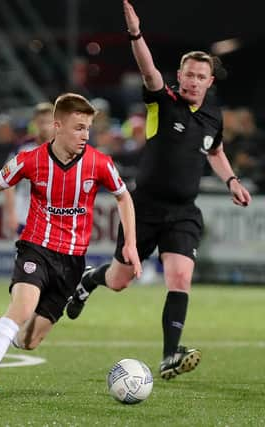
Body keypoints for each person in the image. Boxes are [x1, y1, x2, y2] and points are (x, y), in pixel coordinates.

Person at [65, 0, 253, 381]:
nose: (192, 81)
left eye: (200, 76)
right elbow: (148, 69)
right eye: (188, 74)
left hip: (183, 211)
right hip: (144, 208)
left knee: (180, 277)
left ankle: (170, 356)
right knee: (120, 280)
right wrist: (135, 33)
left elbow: (214, 151)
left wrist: (231, 179)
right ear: (179, 75)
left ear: (209, 81)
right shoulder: (162, 102)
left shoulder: (213, 117)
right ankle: (88, 280)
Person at [0, 93, 141, 402]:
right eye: (78, 128)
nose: (85, 135)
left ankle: (8, 328)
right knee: (22, 308)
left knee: (30, 341)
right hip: (35, 248)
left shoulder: (98, 162)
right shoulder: (30, 159)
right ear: (57, 125)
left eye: (88, 128)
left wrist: (130, 242)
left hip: (73, 261)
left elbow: (124, 197)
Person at [4, 102, 55, 235]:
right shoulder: (22, 148)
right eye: (41, 122)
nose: (44, 127)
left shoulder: (64, 149)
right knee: (25, 255)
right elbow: (7, 182)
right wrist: (11, 213)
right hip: (25, 214)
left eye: (48, 122)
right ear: (34, 124)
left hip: (54, 216)